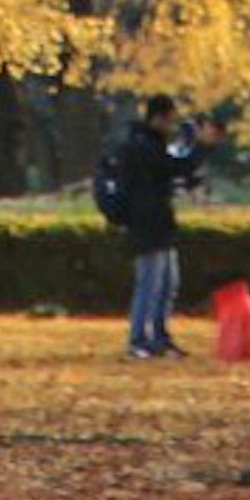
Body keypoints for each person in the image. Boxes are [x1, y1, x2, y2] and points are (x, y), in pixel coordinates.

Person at [104, 93, 204, 354]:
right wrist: (198, 147)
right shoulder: (142, 147)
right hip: (145, 224)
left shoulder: (152, 144)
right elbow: (171, 168)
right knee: (150, 283)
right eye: (168, 120)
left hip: (160, 223)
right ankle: (138, 338)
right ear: (157, 118)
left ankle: (159, 335)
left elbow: (173, 170)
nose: (171, 126)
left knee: (168, 283)